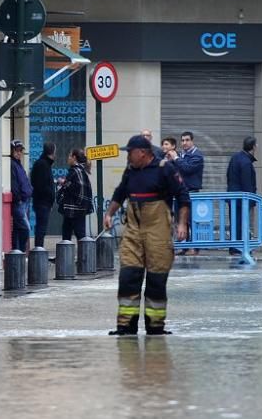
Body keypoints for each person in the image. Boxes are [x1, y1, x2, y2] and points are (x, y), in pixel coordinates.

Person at [104, 135, 190, 336]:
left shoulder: (164, 169)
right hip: (133, 231)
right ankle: (125, 327)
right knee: (128, 279)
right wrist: (109, 213)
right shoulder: (131, 171)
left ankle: (155, 327)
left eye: (130, 152)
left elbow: (183, 196)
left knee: (156, 281)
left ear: (142, 153)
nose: (128, 156)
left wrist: (182, 224)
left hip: (157, 232)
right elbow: (120, 194)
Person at [172, 131, 204, 255]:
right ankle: (184, 246)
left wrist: (176, 158)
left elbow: (187, 169)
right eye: (182, 140)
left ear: (192, 141)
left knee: (191, 220)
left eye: (187, 140)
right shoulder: (181, 155)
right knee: (180, 220)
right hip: (180, 192)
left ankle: (194, 247)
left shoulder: (197, 155)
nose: (184, 143)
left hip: (192, 192)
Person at [225, 136, 258, 255]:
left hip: (233, 197)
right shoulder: (246, 163)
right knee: (241, 223)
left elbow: (228, 176)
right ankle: (239, 248)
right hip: (241, 199)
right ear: (253, 147)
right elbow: (247, 184)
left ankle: (234, 247)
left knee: (234, 222)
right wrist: (251, 201)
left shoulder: (235, 157)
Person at [57, 148, 94, 241]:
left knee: (78, 235)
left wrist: (63, 183)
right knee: (68, 232)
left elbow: (76, 187)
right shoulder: (81, 170)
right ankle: (67, 254)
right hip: (74, 208)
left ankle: (85, 254)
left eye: (70, 156)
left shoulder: (76, 171)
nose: (68, 158)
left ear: (74, 157)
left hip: (75, 208)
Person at [30, 141, 56, 249]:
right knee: (41, 228)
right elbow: (41, 185)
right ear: (52, 152)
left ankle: (39, 249)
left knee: (41, 228)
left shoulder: (43, 164)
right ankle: (38, 250)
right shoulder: (43, 165)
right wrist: (50, 195)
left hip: (42, 202)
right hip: (42, 202)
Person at [9, 139, 33, 252]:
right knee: (25, 228)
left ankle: (18, 252)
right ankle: (20, 250)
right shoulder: (12, 164)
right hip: (20, 202)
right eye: (17, 150)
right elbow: (14, 184)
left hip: (25, 200)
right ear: (12, 150)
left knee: (18, 228)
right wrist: (18, 199)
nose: (19, 153)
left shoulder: (18, 164)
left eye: (20, 151)